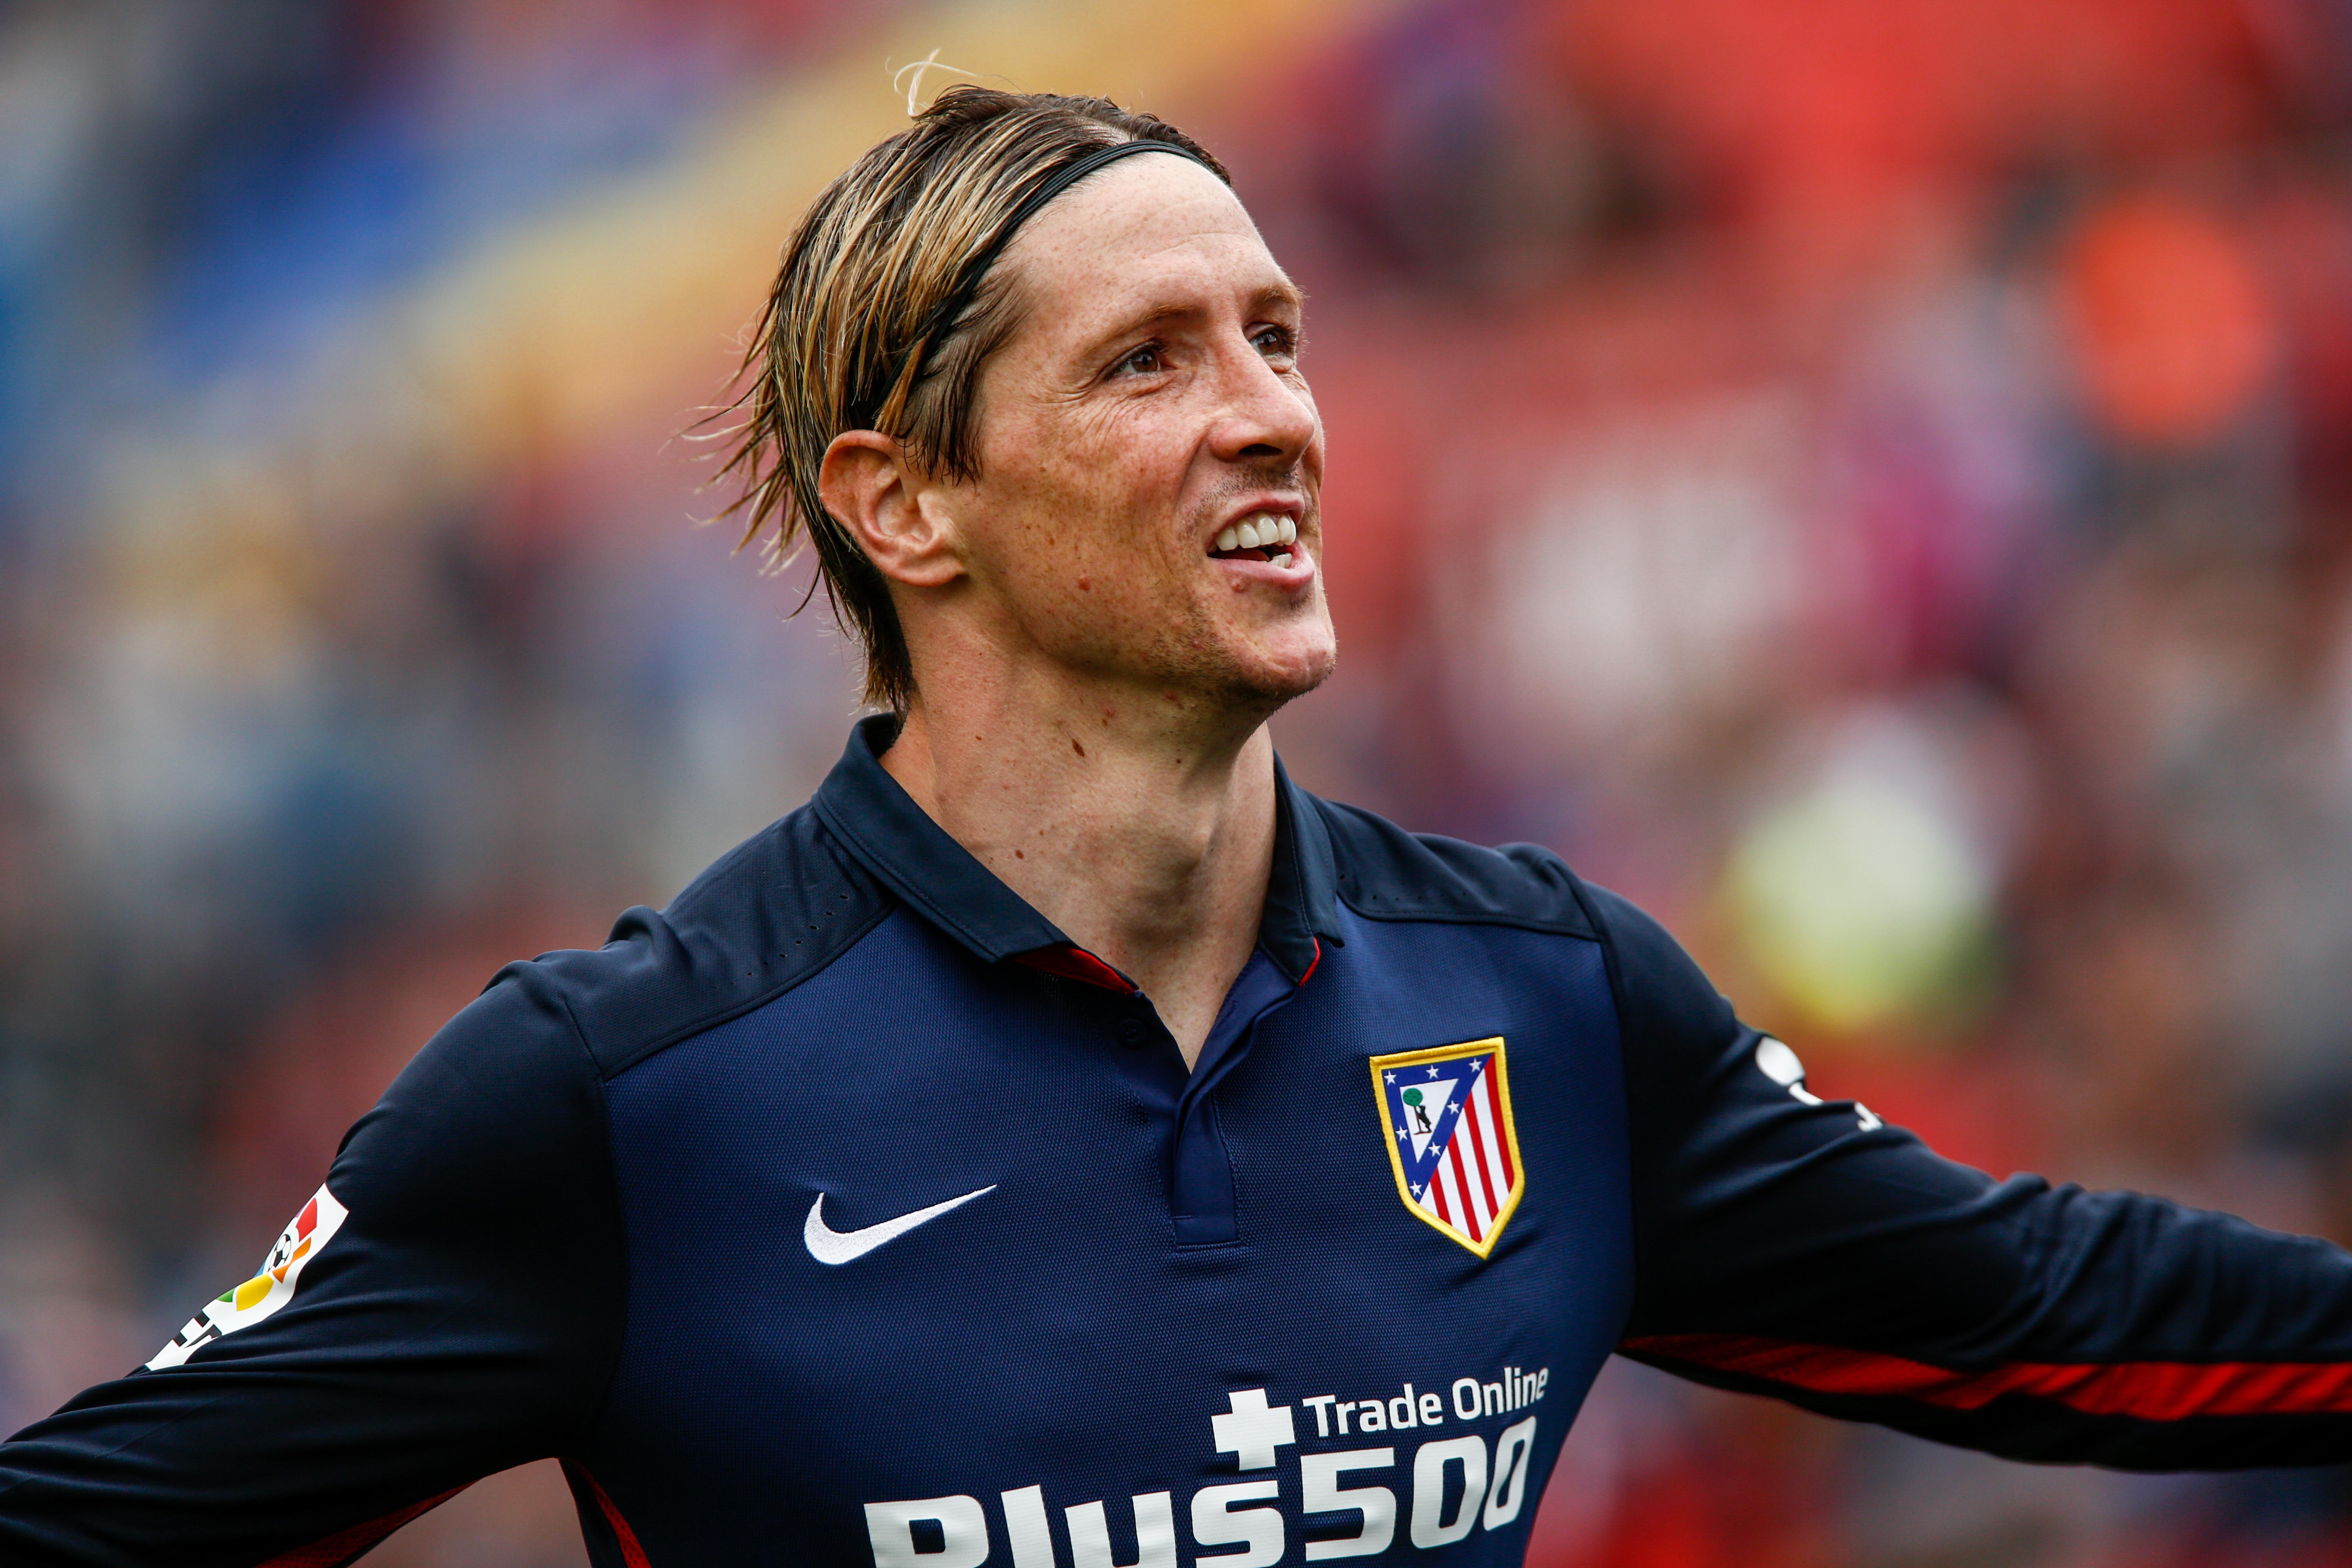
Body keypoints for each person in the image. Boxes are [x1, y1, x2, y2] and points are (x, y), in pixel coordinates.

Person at [5, 85, 2352, 1568]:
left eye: (1279, 334)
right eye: (1151, 361)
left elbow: (2065, 1321)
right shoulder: (616, 1098)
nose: (1276, 421)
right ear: (902, 500)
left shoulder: (1541, 998)